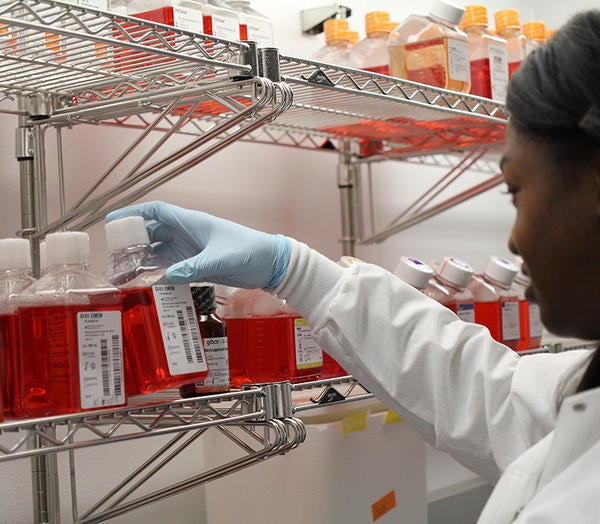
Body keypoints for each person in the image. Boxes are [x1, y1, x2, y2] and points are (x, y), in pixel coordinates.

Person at [106, 10, 600, 523]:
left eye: (515, 192)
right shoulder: (581, 398)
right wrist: (291, 268)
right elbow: (490, 397)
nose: (515, 241)